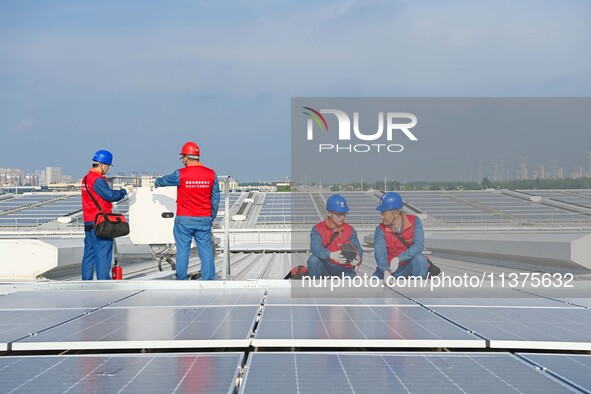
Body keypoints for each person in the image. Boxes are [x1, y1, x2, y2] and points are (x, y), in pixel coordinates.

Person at [154, 142, 220, 280]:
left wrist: (156, 182)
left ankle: (181, 279)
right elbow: (215, 198)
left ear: (186, 157)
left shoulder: (180, 174)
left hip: (184, 220)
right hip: (204, 219)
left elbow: (163, 181)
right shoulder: (211, 174)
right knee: (206, 249)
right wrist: (211, 216)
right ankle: (208, 280)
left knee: (183, 250)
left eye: (182, 157)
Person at [81, 149, 134, 280]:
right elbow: (111, 196)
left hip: (88, 222)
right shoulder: (97, 180)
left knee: (89, 255)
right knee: (103, 255)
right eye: (108, 166)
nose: (107, 169)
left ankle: (85, 283)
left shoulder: (85, 179)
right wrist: (125, 191)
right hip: (101, 224)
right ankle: (103, 284)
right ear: (102, 164)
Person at [373, 192, 428, 285]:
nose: (381, 216)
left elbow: (418, 246)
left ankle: (417, 290)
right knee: (373, 286)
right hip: (389, 270)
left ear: (396, 213)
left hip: (407, 268)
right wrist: (385, 271)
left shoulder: (415, 222)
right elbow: (380, 253)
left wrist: (398, 259)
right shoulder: (380, 230)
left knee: (421, 260)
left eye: (384, 213)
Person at [306, 194, 362, 278]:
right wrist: (331, 255)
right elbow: (315, 247)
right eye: (339, 214)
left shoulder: (350, 230)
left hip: (344, 268)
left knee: (349, 284)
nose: (342, 217)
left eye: (344, 214)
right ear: (329, 213)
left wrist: (358, 257)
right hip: (325, 268)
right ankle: (316, 289)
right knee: (313, 260)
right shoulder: (318, 229)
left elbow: (357, 247)